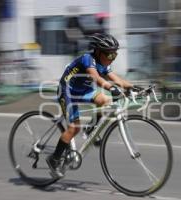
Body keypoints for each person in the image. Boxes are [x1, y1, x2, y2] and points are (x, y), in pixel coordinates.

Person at [46, 33, 142, 178]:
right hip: (67, 91)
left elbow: (117, 80)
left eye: (114, 55)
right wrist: (110, 88)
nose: (112, 58)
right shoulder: (87, 59)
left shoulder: (104, 63)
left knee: (104, 101)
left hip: (83, 90)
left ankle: (91, 128)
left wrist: (134, 87)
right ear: (98, 52)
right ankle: (54, 159)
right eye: (109, 55)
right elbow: (96, 78)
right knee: (74, 128)